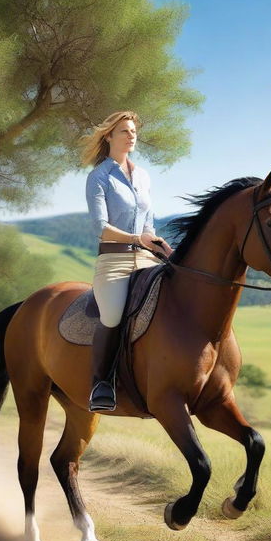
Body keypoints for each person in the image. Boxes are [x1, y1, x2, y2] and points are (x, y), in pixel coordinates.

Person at [81, 111, 173, 412]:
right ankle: (101, 383)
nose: (131, 136)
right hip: (114, 261)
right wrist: (136, 240)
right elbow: (100, 227)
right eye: (124, 131)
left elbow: (148, 226)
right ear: (109, 136)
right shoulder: (99, 177)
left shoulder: (143, 176)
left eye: (133, 131)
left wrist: (161, 247)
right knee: (112, 316)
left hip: (146, 258)